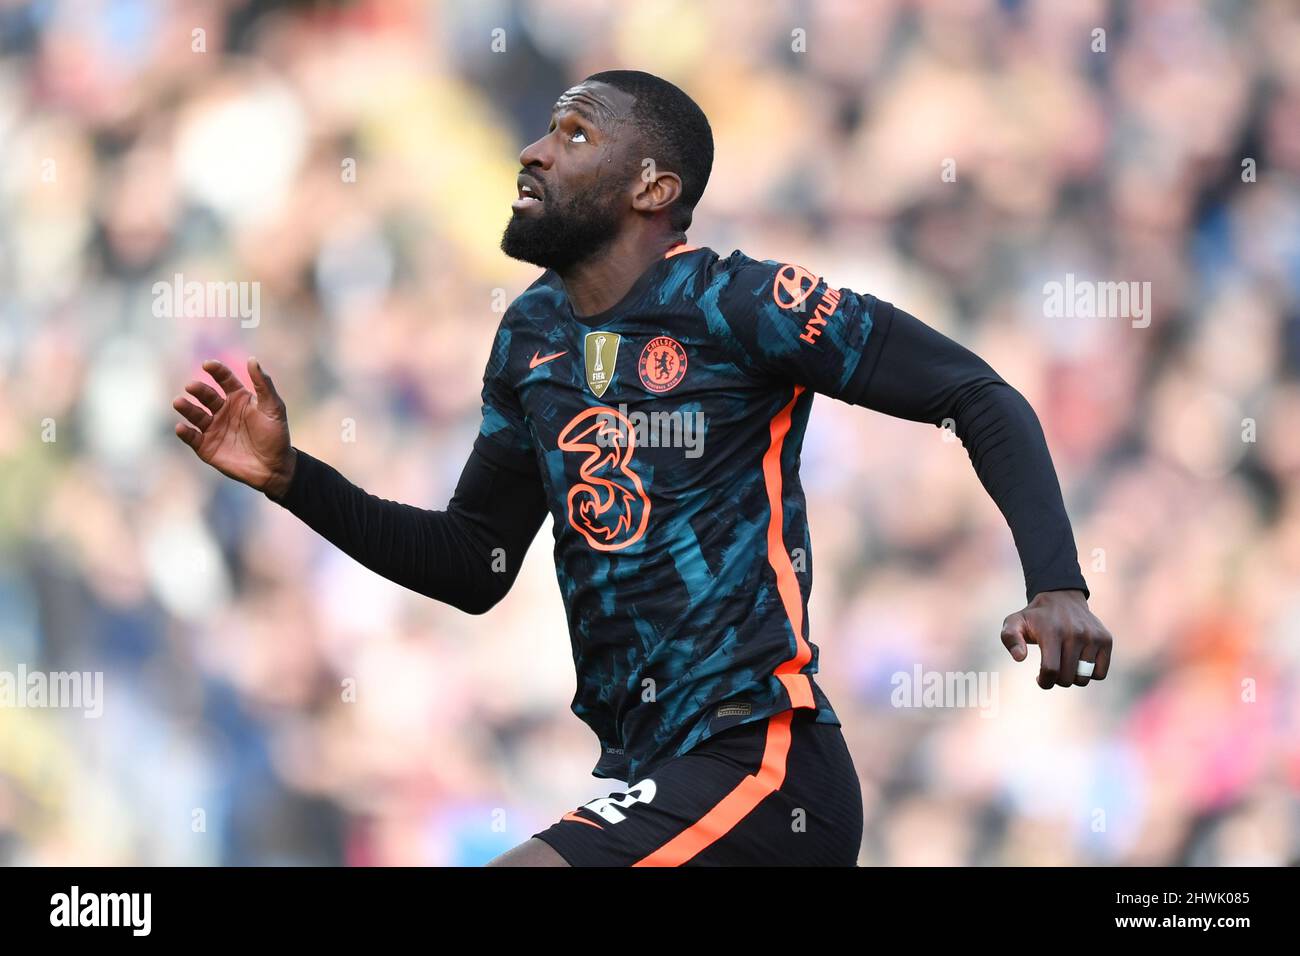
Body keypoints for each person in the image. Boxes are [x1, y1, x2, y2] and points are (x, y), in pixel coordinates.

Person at [172, 70, 1114, 867]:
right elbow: (472, 564)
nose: (535, 151)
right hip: (648, 776)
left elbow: (977, 393)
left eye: (573, 134)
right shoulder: (531, 337)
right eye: (544, 129)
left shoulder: (747, 304)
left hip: (763, 765)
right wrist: (297, 479)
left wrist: (1057, 583)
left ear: (652, 188)